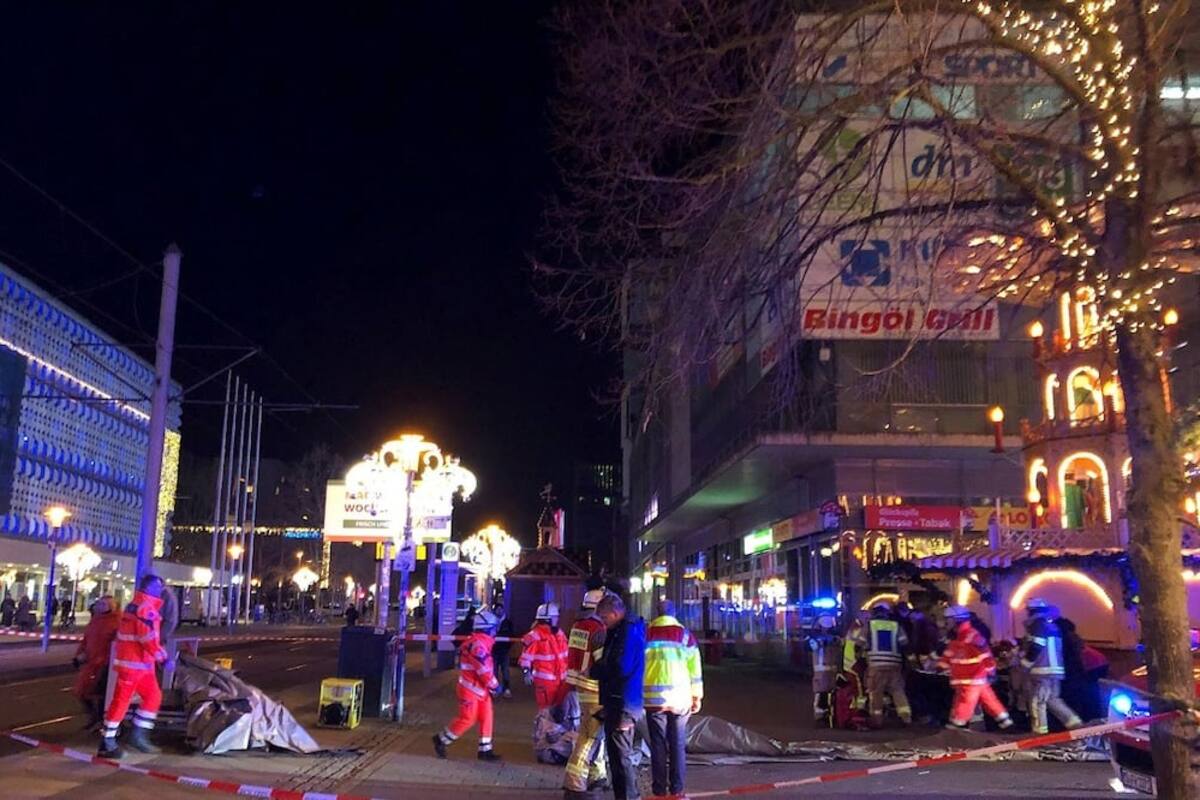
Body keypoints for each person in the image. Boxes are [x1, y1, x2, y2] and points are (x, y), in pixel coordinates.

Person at [100, 574, 169, 757]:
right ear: (150, 588)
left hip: (140, 666)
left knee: (153, 696)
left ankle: (137, 736)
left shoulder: (136, 606)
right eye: (159, 587)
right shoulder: (146, 609)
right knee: (121, 702)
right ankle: (107, 742)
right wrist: (163, 658)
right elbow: (148, 639)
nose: (161, 590)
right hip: (135, 666)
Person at [643, 599, 702, 800]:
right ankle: (677, 790)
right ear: (674, 614)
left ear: (656, 614)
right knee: (677, 744)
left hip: (653, 700)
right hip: (680, 699)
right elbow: (695, 670)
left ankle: (659, 791)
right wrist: (696, 695)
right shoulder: (685, 636)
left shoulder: (646, 634)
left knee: (658, 745)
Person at [591, 593, 644, 800]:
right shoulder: (624, 630)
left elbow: (620, 666)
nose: (603, 623)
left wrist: (597, 670)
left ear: (614, 613)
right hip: (621, 700)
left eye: (604, 618)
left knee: (620, 756)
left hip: (623, 702)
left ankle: (629, 797)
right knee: (617, 755)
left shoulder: (627, 632)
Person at [433, 608, 503, 762]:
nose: (495, 632)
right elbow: (483, 670)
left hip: (477, 688)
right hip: (471, 689)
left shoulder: (478, 643)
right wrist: (495, 686)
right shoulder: (478, 645)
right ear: (488, 629)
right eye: (494, 629)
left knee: (487, 716)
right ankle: (441, 740)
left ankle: (485, 749)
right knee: (467, 719)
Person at [563, 588, 610, 797]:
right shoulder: (598, 629)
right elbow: (602, 662)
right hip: (594, 687)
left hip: (581, 685)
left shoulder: (578, 625)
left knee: (595, 734)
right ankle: (574, 782)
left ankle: (597, 776)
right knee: (589, 736)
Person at [939, 606, 1013, 731]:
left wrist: (991, 671)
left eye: (948, 619)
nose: (946, 623)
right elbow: (950, 655)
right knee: (989, 701)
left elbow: (986, 655)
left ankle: (956, 727)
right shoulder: (959, 637)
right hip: (972, 678)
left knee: (964, 703)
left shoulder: (972, 636)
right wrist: (940, 666)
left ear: (957, 620)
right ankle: (1007, 724)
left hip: (971, 678)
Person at [1021, 599, 1082, 734]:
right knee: (1053, 700)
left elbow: (1037, 646)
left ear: (1031, 611)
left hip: (1042, 672)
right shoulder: (1051, 625)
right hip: (1055, 672)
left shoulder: (1037, 625)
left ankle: (1038, 736)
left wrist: (1025, 663)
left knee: (1038, 703)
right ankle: (1077, 727)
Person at [854, 602, 911, 728]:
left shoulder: (869, 625)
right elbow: (905, 644)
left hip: (876, 665)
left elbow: (859, 644)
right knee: (898, 691)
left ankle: (876, 719)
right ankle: (905, 717)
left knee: (876, 692)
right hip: (894, 664)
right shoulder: (896, 626)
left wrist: (859, 659)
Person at [73, 596, 120, 729]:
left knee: (101, 694)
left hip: (105, 665)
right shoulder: (95, 621)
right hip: (91, 663)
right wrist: (78, 656)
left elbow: (116, 645)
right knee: (81, 691)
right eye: (99, 603)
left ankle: (100, 720)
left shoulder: (117, 622)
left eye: (104, 604)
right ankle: (94, 716)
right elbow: (86, 641)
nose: (99, 606)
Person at [520, 603, 569, 709]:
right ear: (548, 619)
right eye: (555, 617)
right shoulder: (535, 636)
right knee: (547, 713)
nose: (557, 620)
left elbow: (566, 655)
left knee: (561, 713)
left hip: (562, 680)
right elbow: (526, 657)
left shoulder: (559, 633)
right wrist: (526, 672)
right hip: (546, 683)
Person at [809, 613, 840, 726]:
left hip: (830, 672)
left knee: (829, 695)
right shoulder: (815, 639)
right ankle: (820, 717)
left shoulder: (835, 638)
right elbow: (814, 646)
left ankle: (829, 715)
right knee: (821, 695)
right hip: (823, 672)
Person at [494, 603, 515, 699]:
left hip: (504, 650)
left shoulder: (508, 623)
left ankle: (506, 688)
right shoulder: (492, 622)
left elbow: (512, 636)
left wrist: (507, 646)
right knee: (494, 670)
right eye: (497, 609)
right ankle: (494, 688)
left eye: (500, 609)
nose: (499, 611)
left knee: (505, 670)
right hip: (494, 650)